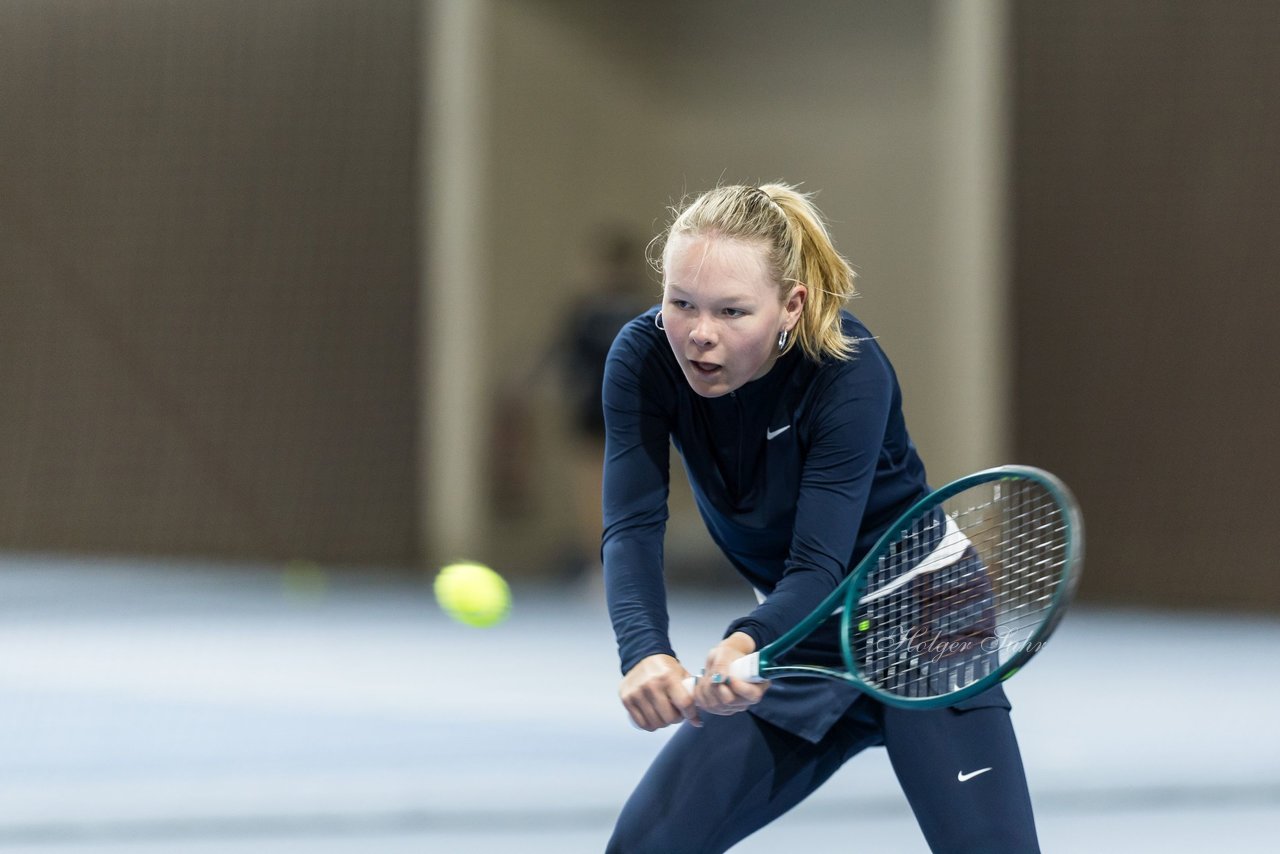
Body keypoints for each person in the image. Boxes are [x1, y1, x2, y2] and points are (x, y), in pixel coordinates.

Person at [600, 183, 1039, 853]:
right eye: (680, 302)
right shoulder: (642, 357)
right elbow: (632, 523)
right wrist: (646, 651)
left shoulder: (849, 372)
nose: (699, 333)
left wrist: (747, 641)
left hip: (925, 621)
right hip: (801, 638)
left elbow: (819, 563)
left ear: (791, 305)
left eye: (732, 311)